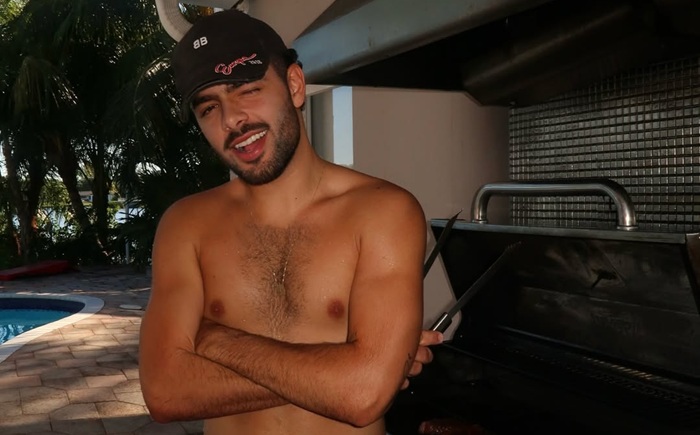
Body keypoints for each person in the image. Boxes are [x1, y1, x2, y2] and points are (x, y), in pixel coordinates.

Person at [139, 9, 443, 435]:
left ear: (295, 85)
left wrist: (214, 340)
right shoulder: (186, 226)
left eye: (247, 89)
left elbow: (363, 396)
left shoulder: (383, 212)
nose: (231, 120)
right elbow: (165, 392)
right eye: (209, 108)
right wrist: (345, 371)